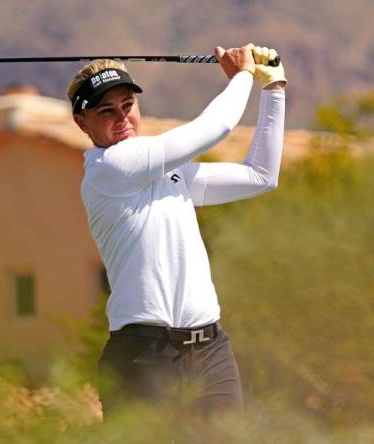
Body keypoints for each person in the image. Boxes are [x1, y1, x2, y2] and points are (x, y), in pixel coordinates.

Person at [66, 43, 286, 419]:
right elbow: (215, 127)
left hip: (211, 349)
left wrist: (274, 90)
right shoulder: (110, 169)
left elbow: (260, 177)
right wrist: (243, 75)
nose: (121, 118)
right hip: (145, 355)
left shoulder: (170, 172)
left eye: (127, 105)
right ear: (83, 123)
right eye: (106, 111)